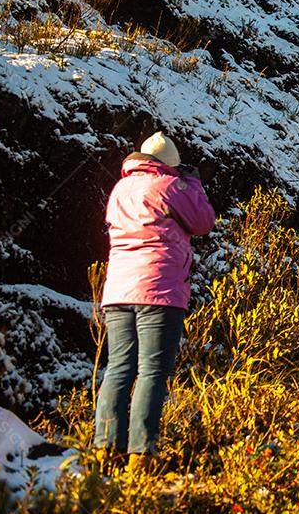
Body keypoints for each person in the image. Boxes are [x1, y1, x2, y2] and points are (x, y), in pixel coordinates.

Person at [93, 132, 215, 473]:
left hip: (117, 290)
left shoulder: (120, 189)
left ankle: (106, 448)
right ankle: (141, 454)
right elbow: (204, 221)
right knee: (152, 371)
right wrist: (192, 183)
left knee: (118, 368)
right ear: (170, 164)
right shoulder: (170, 186)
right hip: (159, 292)